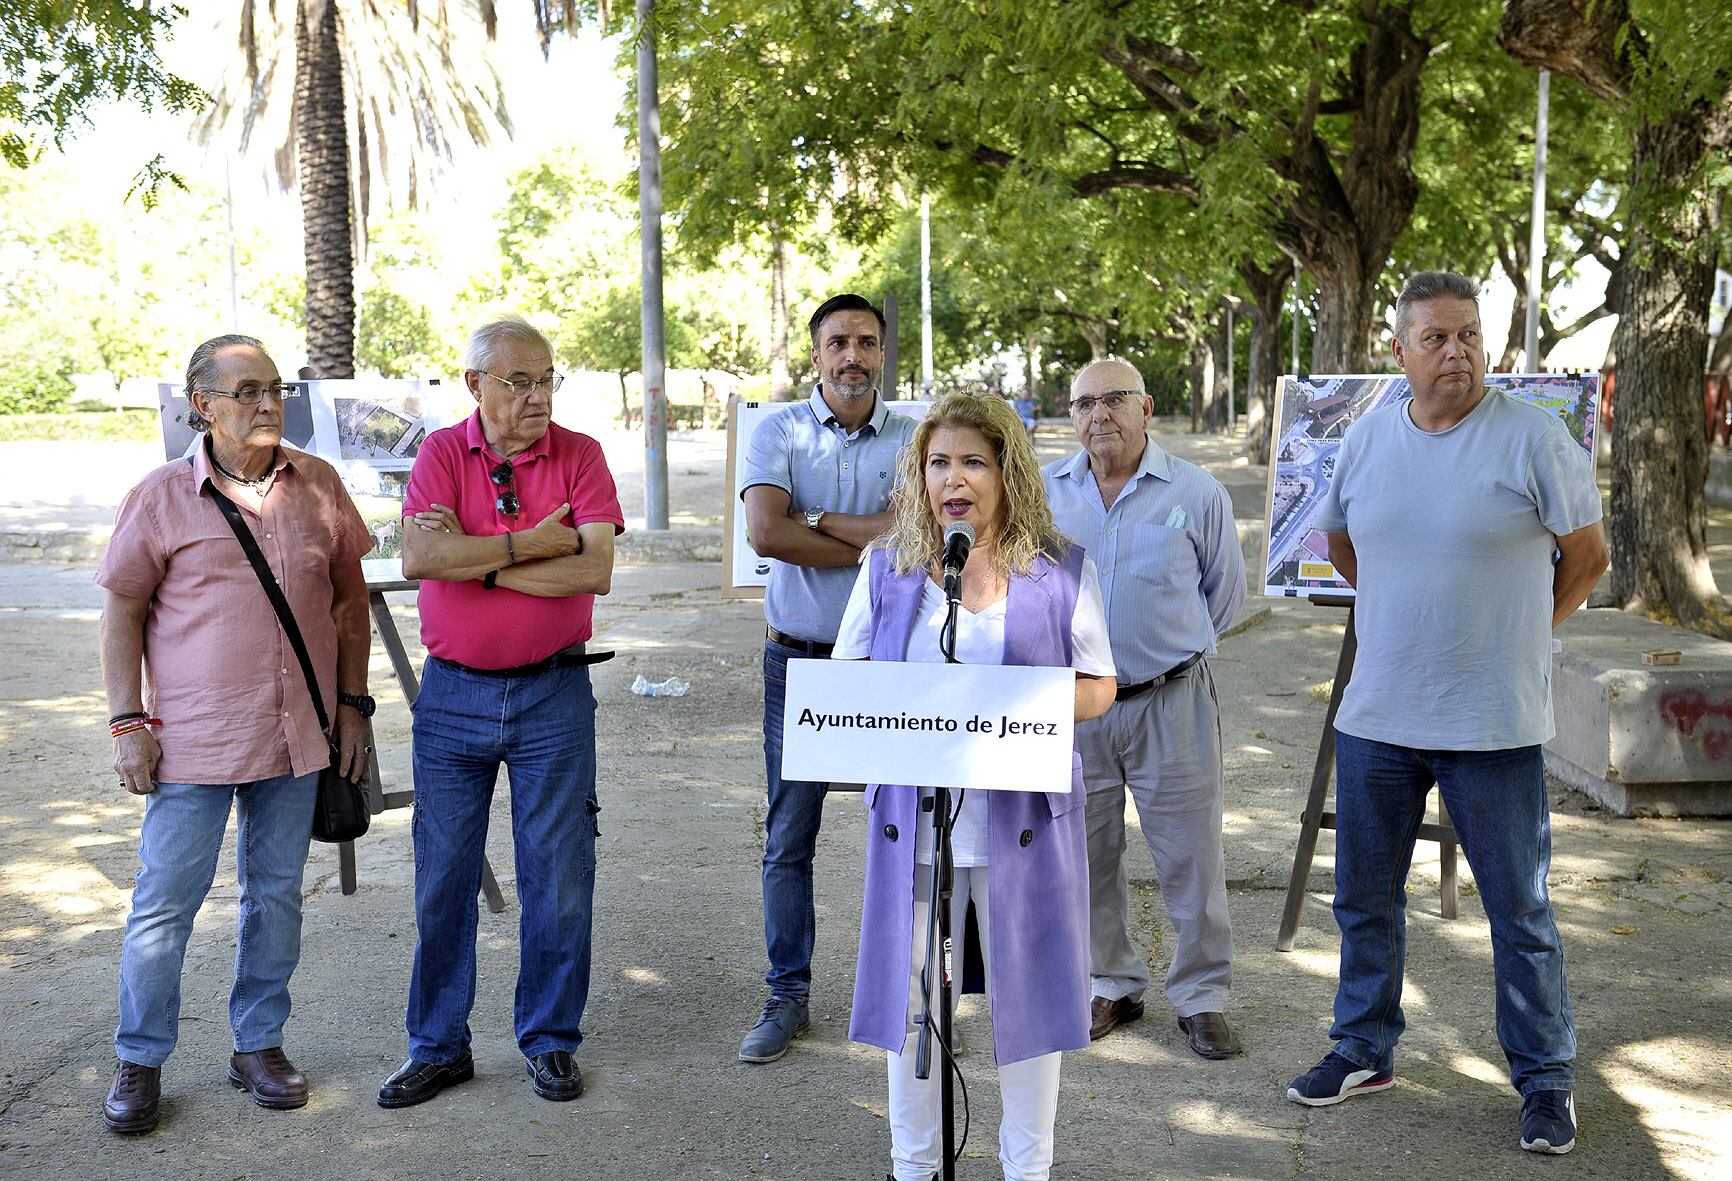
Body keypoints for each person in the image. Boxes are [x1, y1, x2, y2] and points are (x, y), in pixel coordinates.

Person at [1288, 272, 1608, 1156]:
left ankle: (1545, 1081)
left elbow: (1586, 556)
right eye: (1435, 337)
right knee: (1363, 896)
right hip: (1377, 715)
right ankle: (1363, 1047)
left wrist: (1520, 632)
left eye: (1469, 335)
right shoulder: (1364, 442)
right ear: (1400, 350)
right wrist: (1408, 612)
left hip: (1493, 722)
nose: (1456, 351)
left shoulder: (1534, 439)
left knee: (1520, 910)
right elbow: (1341, 540)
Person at [96, 334, 373, 1133]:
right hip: (191, 743)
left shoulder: (318, 484)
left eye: (274, 389)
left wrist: (354, 704)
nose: (265, 404)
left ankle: (258, 1043)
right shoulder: (159, 496)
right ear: (201, 405)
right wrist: (128, 721)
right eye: (246, 390)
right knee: (163, 906)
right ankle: (140, 1059)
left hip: (297, 740)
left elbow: (350, 602)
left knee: (276, 896)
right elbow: (122, 610)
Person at [838, 392, 1117, 1181]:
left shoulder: (1059, 569)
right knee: (913, 1009)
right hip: (915, 831)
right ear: (919, 474)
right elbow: (850, 677)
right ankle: (914, 1165)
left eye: (972, 462)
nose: (953, 478)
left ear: (1006, 472)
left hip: (1023, 825)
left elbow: (1100, 685)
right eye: (938, 462)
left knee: (1025, 1010)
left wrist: (1017, 705)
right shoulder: (887, 567)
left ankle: (1027, 1169)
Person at [379, 314, 623, 1108]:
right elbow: (420, 559)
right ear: (474, 384)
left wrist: (476, 563)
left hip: (555, 690)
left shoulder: (580, 454)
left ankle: (550, 1038)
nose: (536, 395)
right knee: (443, 876)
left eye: (547, 378)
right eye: (518, 380)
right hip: (453, 695)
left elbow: (595, 572)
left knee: (558, 877)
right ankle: (438, 1044)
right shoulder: (444, 452)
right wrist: (528, 546)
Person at [1041, 357, 1247, 1058]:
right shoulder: (1043, 495)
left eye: (1115, 399)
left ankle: (1202, 994)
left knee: (1191, 855)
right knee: (1086, 852)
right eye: (1083, 403)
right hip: (1075, 707)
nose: (1099, 414)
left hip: (1172, 700)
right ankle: (1114, 982)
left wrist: (1169, 651)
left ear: (1147, 407)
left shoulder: (1196, 490)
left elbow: (1224, 596)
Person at [735, 294, 919, 1063]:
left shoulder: (917, 437)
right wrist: (878, 537)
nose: (853, 355)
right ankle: (788, 995)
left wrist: (819, 522)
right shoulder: (777, 430)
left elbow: (926, 533)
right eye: (838, 341)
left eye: (867, 343)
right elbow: (765, 532)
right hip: (800, 660)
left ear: (882, 354)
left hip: (893, 663)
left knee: (914, 827)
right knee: (790, 835)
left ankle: (915, 994)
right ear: (816, 354)